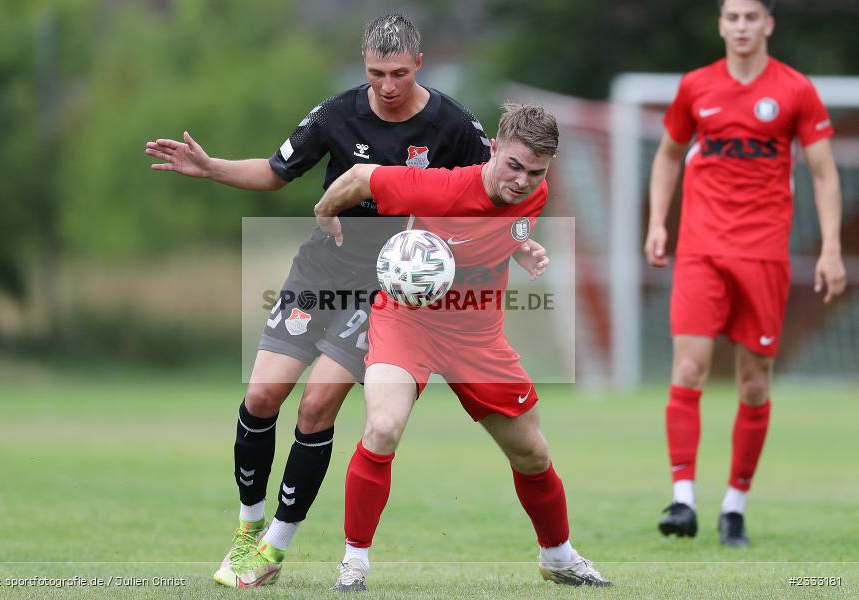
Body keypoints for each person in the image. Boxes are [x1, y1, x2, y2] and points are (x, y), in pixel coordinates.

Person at [145, 14, 546, 588]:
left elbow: (495, 193)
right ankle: (246, 530)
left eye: (400, 74)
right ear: (363, 63)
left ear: (419, 65)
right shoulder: (337, 113)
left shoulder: (454, 124)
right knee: (262, 395)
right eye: (377, 73)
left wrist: (520, 245)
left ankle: (273, 551)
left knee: (315, 408)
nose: (388, 85)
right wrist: (211, 169)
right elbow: (276, 171)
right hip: (323, 266)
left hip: (389, 286)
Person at [315, 103, 611, 591]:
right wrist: (325, 212)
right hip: (408, 323)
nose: (521, 180)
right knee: (383, 426)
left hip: (478, 337)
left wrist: (522, 245)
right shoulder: (441, 185)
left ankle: (559, 558)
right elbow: (363, 175)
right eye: (513, 165)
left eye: (535, 172)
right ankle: (354, 564)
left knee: (533, 454)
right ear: (493, 149)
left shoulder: (534, 195)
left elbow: (499, 228)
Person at [644, 0, 846, 546]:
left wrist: (830, 250)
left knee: (754, 383)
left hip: (763, 254)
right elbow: (667, 155)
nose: (740, 27)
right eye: (731, 17)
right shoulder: (696, 87)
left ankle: (734, 506)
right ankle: (682, 500)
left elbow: (825, 175)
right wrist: (659, 222)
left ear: (767, 24)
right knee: (689, 367)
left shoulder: (796, 91)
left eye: (750, 17)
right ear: (720, 24)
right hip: (701, 249)